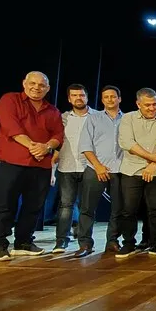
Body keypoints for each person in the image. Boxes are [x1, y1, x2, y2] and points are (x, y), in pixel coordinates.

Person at [0, 71, 64, 261]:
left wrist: (46, 147)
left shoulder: (53, 110)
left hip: (42, 165)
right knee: (5, 203)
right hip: (12, 161)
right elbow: (11, 127)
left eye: (41, 85)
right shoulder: (9, 100)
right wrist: (34, 146)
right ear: (24, 83)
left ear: (47, 89)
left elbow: (58, 136)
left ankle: (23, 242)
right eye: (32, 83)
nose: (36, 88)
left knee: (34, 206)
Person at [116, 88, 156, 258]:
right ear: (138, 104)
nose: (151, 108)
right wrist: (152, 159)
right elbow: (128, 143)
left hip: (155, 171)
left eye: (154, 104)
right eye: (147, 105)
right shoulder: (128, 118)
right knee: (129, 210)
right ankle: (128, 243)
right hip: (131, 169)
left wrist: (152, 165)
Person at [76, 85, 124, 256]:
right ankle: (85, 244)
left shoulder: (127, 119)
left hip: (119, 170)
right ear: (102, 100)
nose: (110, 100)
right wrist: (98, 166)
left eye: (113, 96)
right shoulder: (93, 119)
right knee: (87, 207)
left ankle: (112, 241)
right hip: (94, 169)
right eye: (106, 97)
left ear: (119, 99)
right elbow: (85, 145)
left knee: (118, 208)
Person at [52, 84, 96, 253]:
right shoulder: (62, 118)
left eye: (82, 95)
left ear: (87, 97)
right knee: (65, 205)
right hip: (67, 166)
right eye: (75, 95)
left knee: (87, 206)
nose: (79, 98)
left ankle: (85, 241)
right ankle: (61, 241)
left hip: (89, 166)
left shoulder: (97, 117)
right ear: (69, 98)